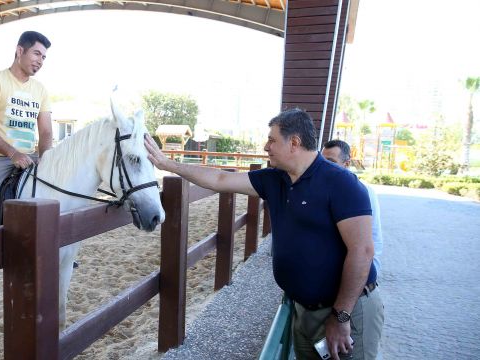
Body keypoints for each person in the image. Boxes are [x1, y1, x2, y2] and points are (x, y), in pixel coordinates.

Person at [144, 109, 383, 360]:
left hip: (347, 312)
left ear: (294, 143)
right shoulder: (275, 179)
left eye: (271, 140)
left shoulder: (341, 183)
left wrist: (341, 316)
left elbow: (362, 251)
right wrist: (167, 164)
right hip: (304, 312)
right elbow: (220, 178)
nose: (266, 146)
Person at [0, 31, 53, 293]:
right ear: (19, 51)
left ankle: (57, 250)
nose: (40, 61)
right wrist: (12, 153)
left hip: (33, 156)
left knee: (59, 193)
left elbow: (47, 131)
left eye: (44, 57)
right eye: (37, 53)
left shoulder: (40, 90)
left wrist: (46, 157)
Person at [322, 139, 383, 275]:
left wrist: (370, 272)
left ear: (347, 164)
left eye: (331, 162)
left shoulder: (363, 191)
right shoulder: (318, 189)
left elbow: (373, 236)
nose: (324, 167)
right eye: (321, 161)